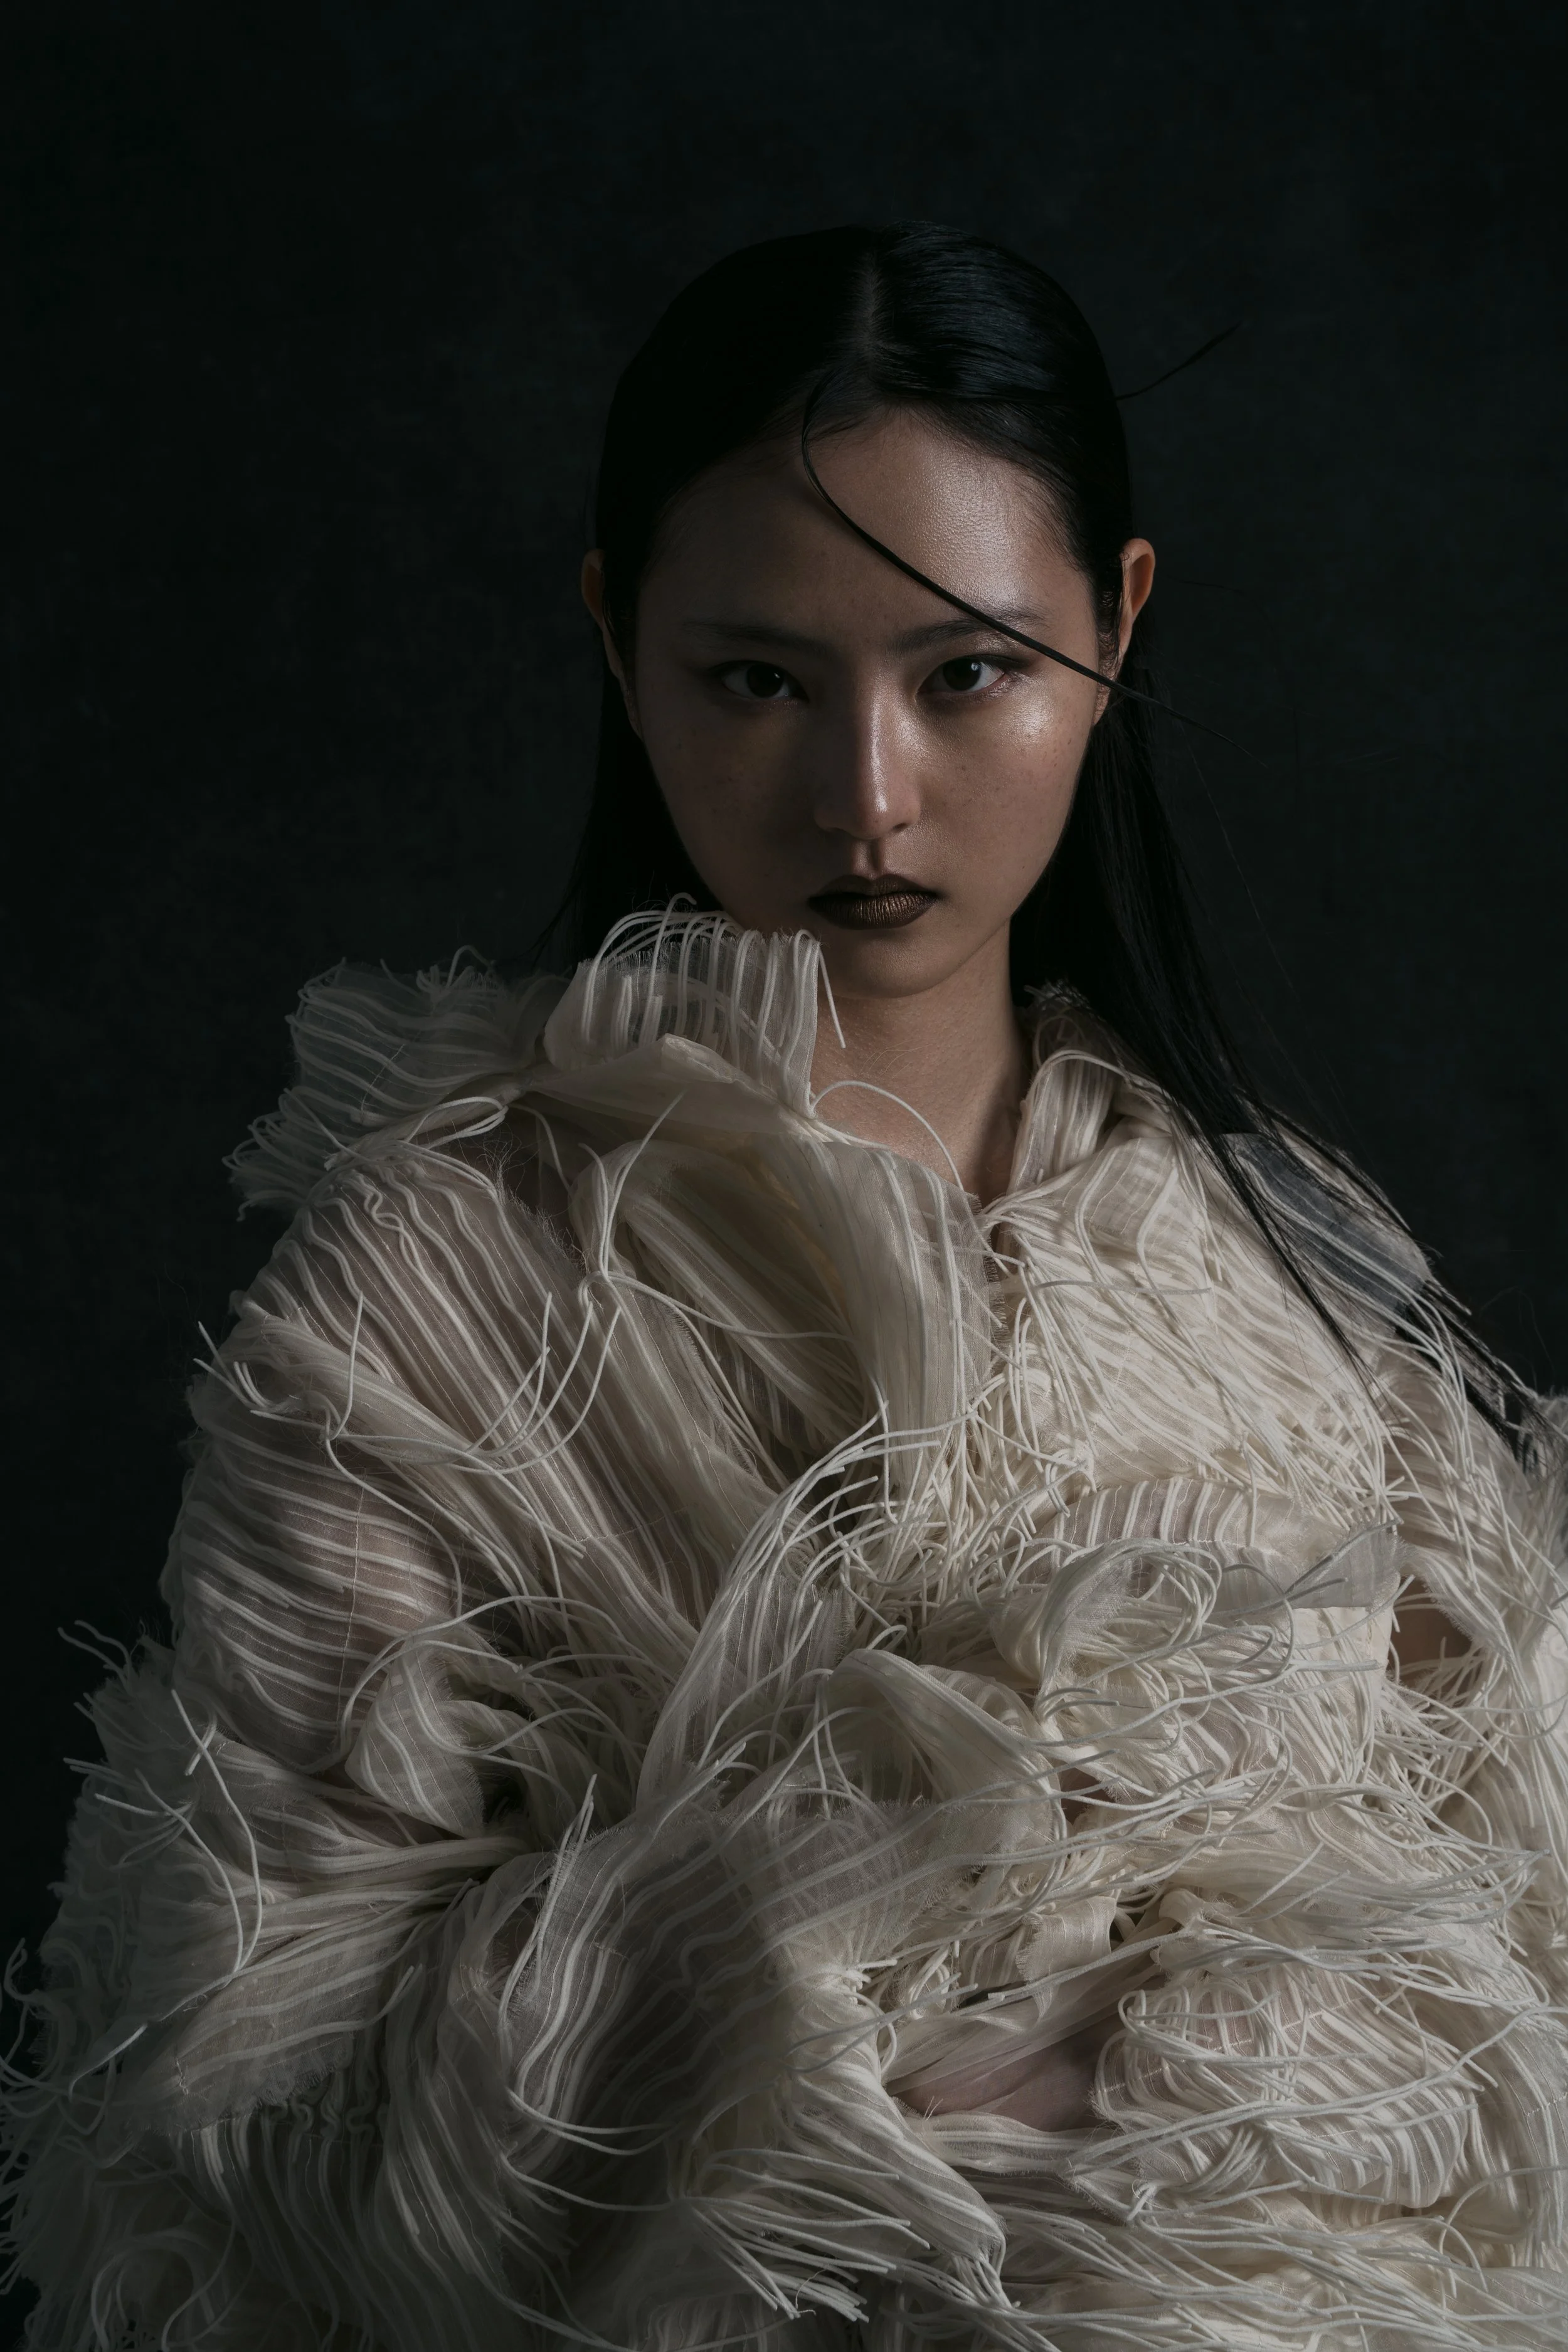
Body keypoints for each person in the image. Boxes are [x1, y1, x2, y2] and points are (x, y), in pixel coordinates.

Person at [6, 222, 1567, 2350]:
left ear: (1112, 624)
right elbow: (254, 2084)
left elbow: (1513, 1926)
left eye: (965, 673)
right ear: (615, 640)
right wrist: (865, 1988)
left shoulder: (1274, 1260)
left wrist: (1207, 2070)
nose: (863, 796)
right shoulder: (423, 1295)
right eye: (756, 677)